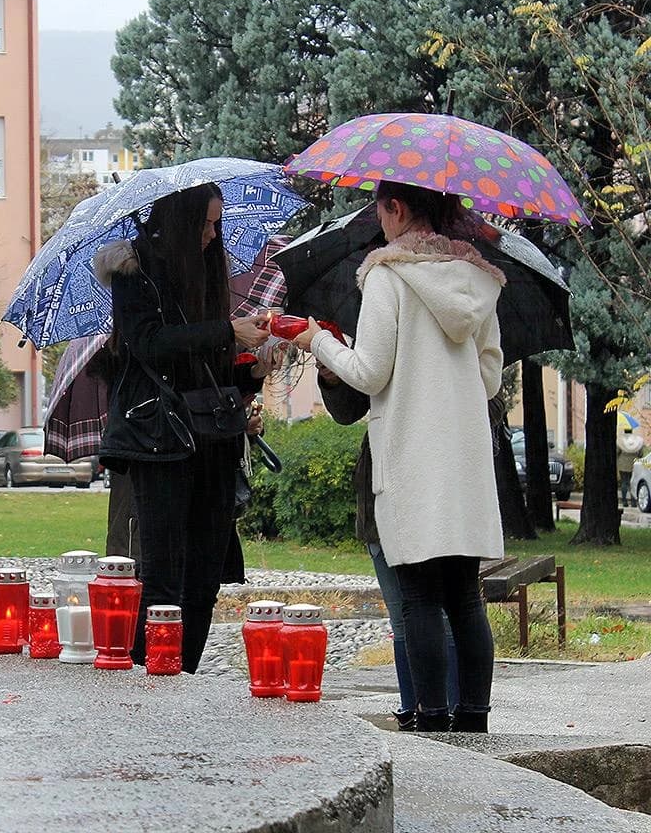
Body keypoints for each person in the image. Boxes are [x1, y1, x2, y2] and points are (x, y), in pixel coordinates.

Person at [294, 180, 505, 733]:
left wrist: (317, 341)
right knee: (464, 596)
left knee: (417, 599)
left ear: (397, 208)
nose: (378, 222)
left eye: (380, 210)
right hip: (461, 460)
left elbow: (368, 373)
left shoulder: (387, 276)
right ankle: (474, 721)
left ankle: (432, 719)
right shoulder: (479, 280)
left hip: (411, 455)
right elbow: (487, 379)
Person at [91, 182, 272, 674]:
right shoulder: (136, 272)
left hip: (211, 439)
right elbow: (149, 345)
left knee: (205, 577)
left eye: (218, 223)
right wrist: (226, 331)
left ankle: (184, 673)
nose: (214, 235)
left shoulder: (206, 276)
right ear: (181, 220)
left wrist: (249, 370)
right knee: (164, 574)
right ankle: (154, 672)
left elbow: (206, 373)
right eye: (207, 223)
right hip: (158, 439)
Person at [318, 362, 459, 730]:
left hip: (432, 499)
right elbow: (349, 409)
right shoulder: (379, 336)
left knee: (439, 612)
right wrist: (334, 377)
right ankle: (413, 706)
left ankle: (449, 709)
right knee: (400, 615)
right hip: (378, 499)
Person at [617, 428, 644, 507]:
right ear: (632, 432)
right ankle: (633, 502)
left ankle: (624, 501)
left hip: (623, 465)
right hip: (634, 464)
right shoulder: (637, 441)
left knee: (624, 482)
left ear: (624, 431)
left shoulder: (620, 441)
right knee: (633, 483)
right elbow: (641, 454)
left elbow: (617, 452)